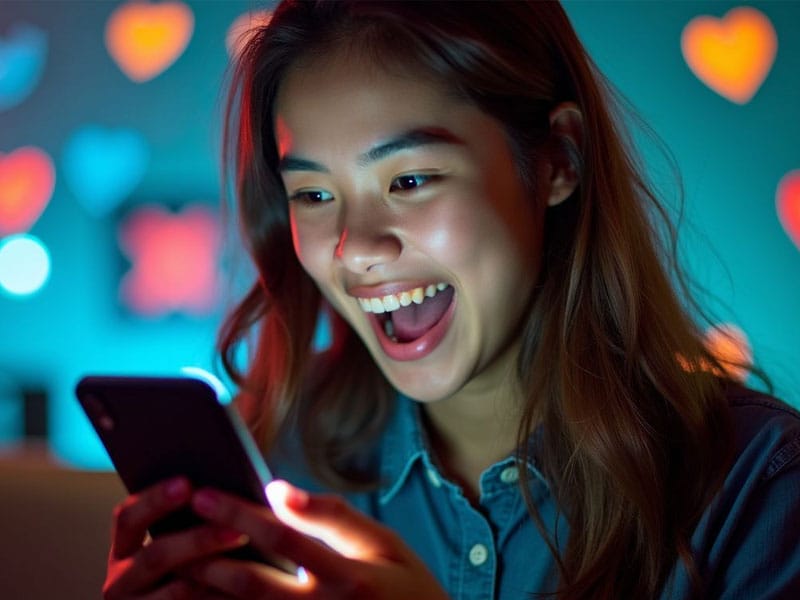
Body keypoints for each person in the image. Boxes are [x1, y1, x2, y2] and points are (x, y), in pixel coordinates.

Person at [102, 2, 800, 599]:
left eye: (409, 181)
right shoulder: (278, 461)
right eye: (314, 195)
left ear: (559, 159)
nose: (356, 246)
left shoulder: (756, 488)